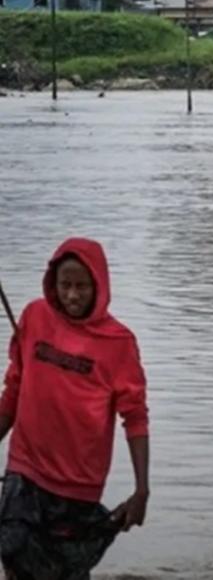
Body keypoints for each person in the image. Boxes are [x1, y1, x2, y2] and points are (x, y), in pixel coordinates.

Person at [0, 238, 149, 579]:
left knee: (64, 571)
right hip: (25, 469)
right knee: (14, 555)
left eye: (82, 286)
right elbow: (14, 389)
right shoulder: (35, 316)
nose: (72, 295)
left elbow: (135, 417)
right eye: (65, 285)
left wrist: (141, 490)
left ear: (99, 285)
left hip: (78, 483)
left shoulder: (118, 343)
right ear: (53, 283)